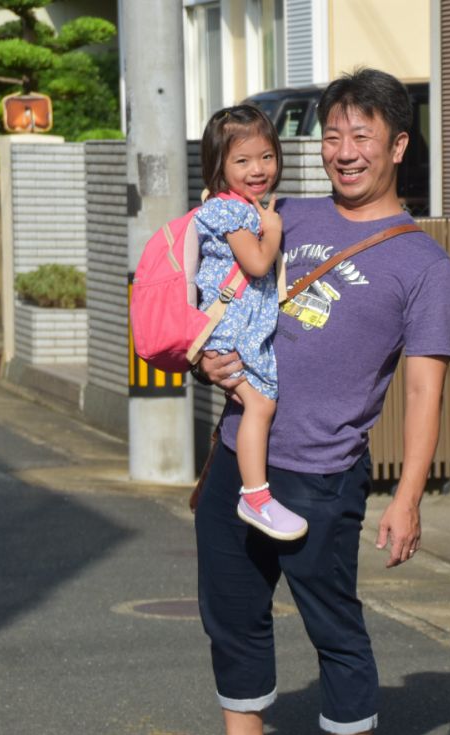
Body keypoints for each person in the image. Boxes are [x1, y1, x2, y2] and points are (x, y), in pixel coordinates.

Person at [181, 68, 450, 735]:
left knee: (334, 629)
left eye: (360, 135)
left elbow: (426, 391)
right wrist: (212, 357)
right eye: (332, 135)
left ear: (398, 145)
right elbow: (220, 287)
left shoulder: (423, 262)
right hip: (243, 458)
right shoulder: (286, 214)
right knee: (231, 613)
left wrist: (407, 499)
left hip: (323, 474)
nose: (343, 150)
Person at [193, 105, 307, 541]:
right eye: (242, 161)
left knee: (258, 404)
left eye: (266, 157)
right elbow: (258, 263)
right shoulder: (231, 211)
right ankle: (256, 497)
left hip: (238, 333)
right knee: (260, 406)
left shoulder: (241, 205)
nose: (257, 169)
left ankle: (256, 494)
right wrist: (273, 230)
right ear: (219, 168)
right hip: (229, 335)